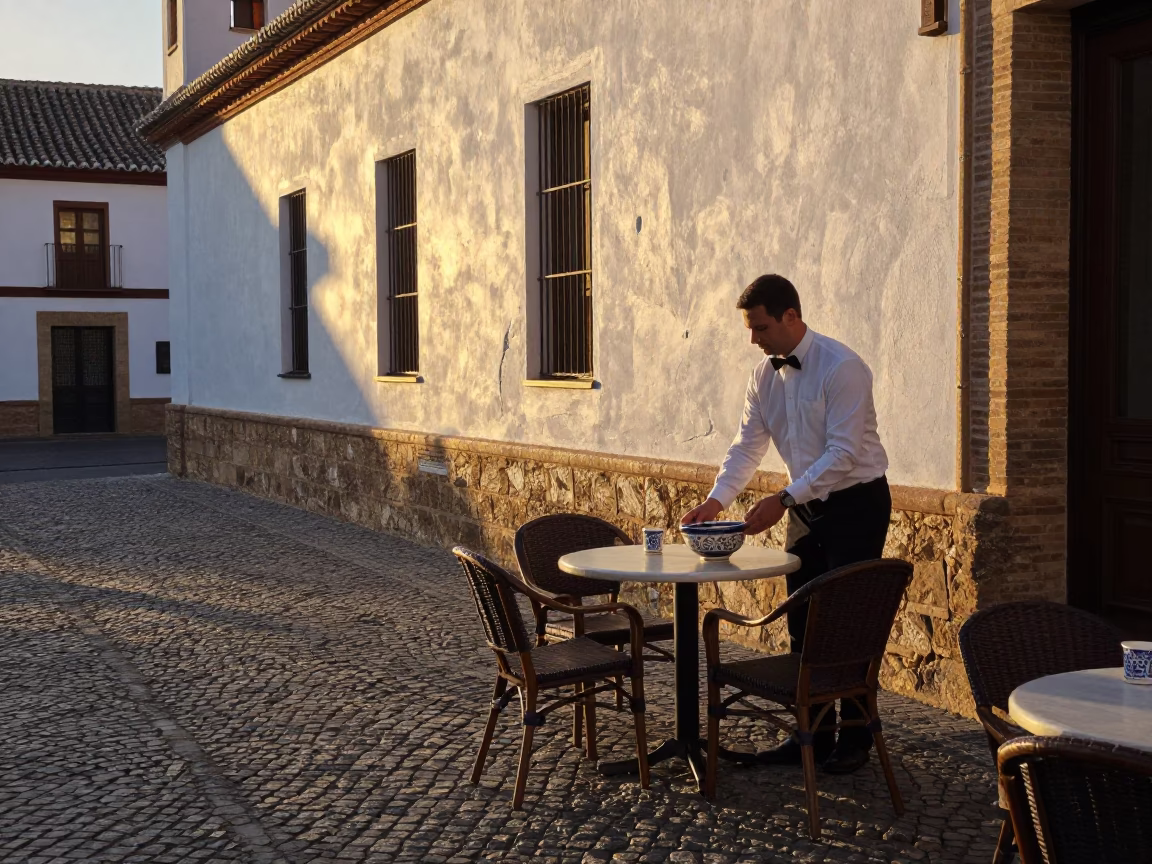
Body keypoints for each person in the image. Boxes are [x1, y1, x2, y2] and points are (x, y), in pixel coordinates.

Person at [682, 273, 890, 775]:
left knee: (847, 622)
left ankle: (856, 740)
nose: (753, 339)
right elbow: (747, 445)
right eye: (751, 329)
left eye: (760, 327)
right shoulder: (763, 376)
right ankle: (810, 737)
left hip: (856, 502)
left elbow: (844, 454)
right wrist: (716, 500)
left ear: (791, 317)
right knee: (803, 618)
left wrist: (782, 497)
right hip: (804, 505)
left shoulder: (842, 368)